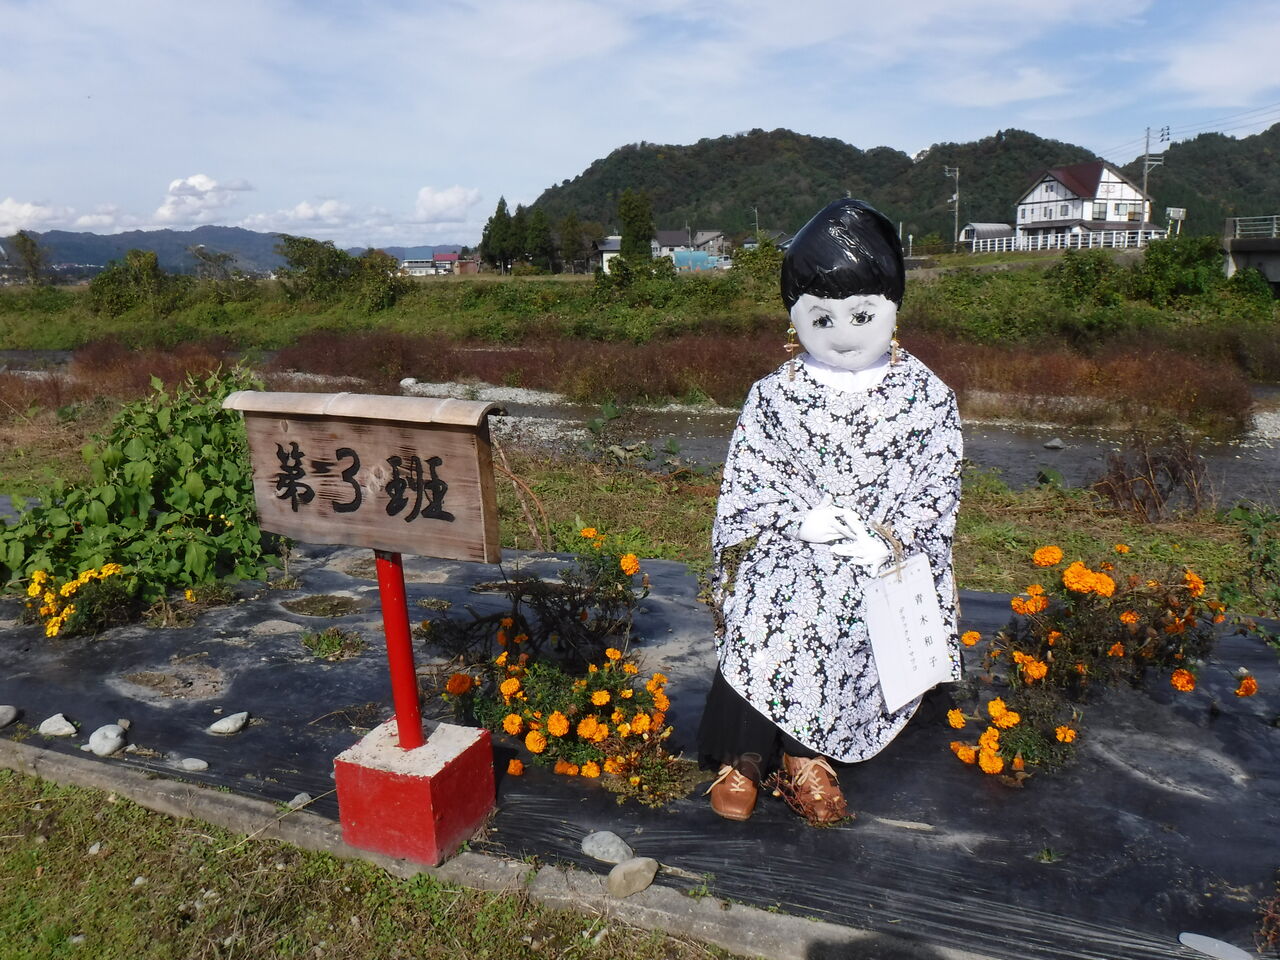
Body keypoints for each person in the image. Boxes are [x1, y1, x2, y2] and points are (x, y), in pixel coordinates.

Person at [698, 198, 963, 824]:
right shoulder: (773, 395)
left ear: (892, 310)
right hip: (793, 541)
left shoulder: (927, 397)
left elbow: (936, 489)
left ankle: (804, 755)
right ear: (795, 319)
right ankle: (744, 755)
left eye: (861, 314)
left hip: (879, 550)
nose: (843, 332)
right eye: (822, 316)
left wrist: (888, 541)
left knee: (841, 597)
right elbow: (749, 481)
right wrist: (799, 522)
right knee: (772, 593)